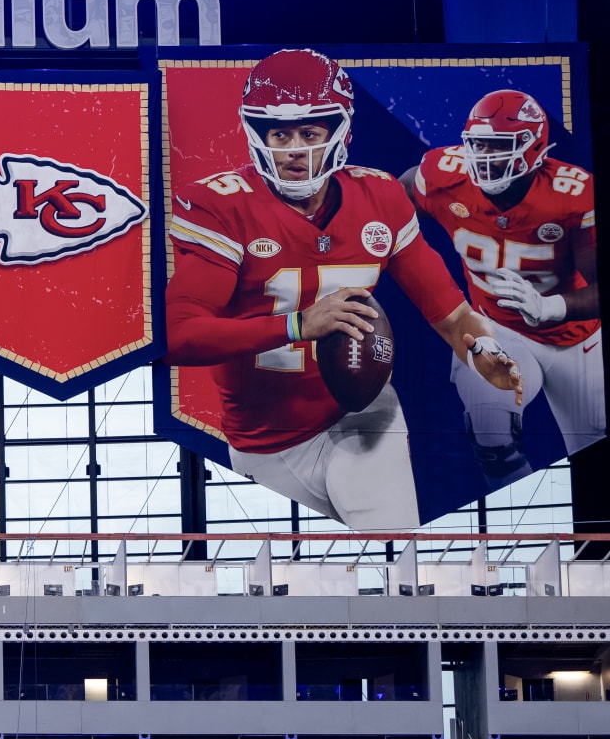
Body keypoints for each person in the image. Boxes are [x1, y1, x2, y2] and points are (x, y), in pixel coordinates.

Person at [165, 49, 523, 527]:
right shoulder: (220, 206)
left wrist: (482, 350)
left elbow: (452, 315)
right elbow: (177, 336)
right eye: (280, 133)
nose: (295, 148)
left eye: (310, 132)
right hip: (260, 440)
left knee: (391, 552)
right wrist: (296, 324)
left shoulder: (380, 197)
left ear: (339, 133)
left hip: (359, 411)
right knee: (310, 592)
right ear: (257, 134)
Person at [401, 89, 601, 480]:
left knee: (595, 450)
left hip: (576, 337)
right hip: (498, 328)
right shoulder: (444, 174)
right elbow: (392, 202)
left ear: (534, 147)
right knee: (492, 441)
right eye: (478, 144)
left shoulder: (573, 196)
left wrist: (550, 307)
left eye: (499, 145)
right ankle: (522, 525)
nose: (486, 157)